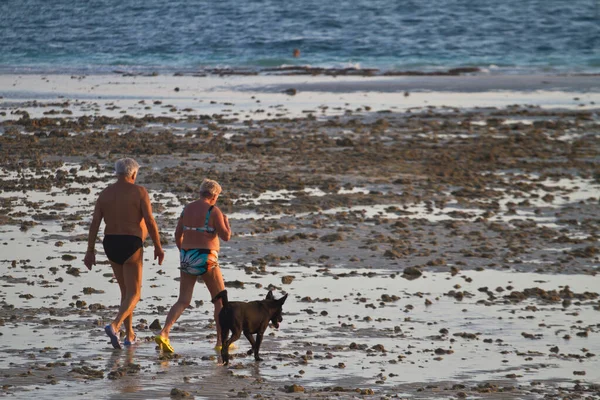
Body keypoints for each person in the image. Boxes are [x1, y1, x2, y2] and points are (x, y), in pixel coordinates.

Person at [84, 158, 165, 349]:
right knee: (135, 293)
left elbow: (94, 223)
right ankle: (115, 325)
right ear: (134, 174)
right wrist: (158, 247)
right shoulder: (139, 192)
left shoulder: (105, 194)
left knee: (125, 292)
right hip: (131, 243)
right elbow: (150, 221)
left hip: (110, 243)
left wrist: (90, 251)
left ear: (116, 173)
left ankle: (129, 335)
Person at [155, 178, 231, 353]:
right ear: (214, 195)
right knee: (220, 300)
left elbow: (177, 234)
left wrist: (185, 252)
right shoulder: (214, 211)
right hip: (207, 257)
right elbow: (226, 236)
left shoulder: (187, 209)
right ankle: (220, 342)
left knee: (183, 300)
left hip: (187, 256)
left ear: (200, 192)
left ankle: (164, 332)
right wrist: (226, 222)